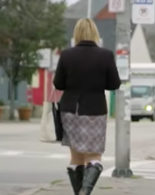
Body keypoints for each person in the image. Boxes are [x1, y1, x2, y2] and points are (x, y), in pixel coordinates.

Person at [53, 18, 121, 195]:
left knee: (76, 157)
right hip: (95, 111)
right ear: (95, 34)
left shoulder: (67, 55)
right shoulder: (105, 55)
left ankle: (80, 193)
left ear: (76, 34)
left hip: (70, 110)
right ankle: (85, 192)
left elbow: (58, 84)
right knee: (94, 156)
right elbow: (114, 84)